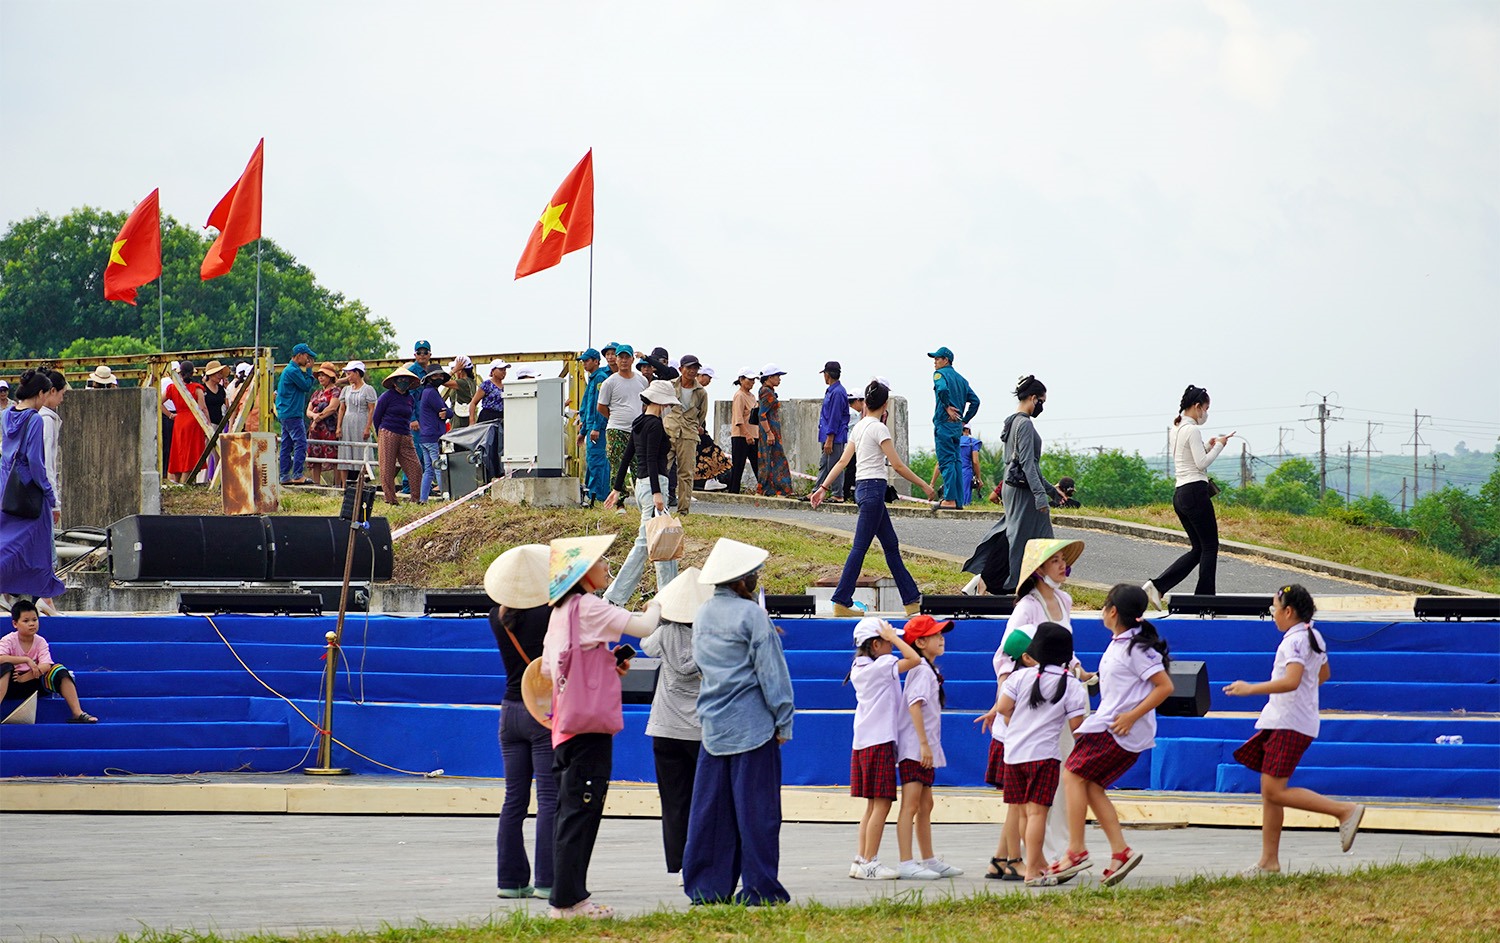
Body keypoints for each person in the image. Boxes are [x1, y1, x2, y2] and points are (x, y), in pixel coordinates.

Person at [541, 534, 661, 919]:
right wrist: (663, 596)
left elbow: (551, 666)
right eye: (600, 561)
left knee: (571, 811)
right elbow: (645, 627)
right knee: (582, 812)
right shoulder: (589, 607)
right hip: (590, 730)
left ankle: (569, 896)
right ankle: (569, 901)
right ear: (581, 573)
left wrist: (605, 665)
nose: (607, 565)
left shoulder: (561, 612)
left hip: (566, 725)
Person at [681, 538, 794, 906]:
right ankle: (760, 890)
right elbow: (773, 675)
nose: (758, 580)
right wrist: (783, 720)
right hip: (753, 726)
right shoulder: (753, 616)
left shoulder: (702, 614)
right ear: (741, 581)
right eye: (755, 576)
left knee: (711, 814)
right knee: (757, 814)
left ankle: (706, 888)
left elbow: (699, 665)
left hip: (713, 724)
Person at [1224, 584, 1365, 876]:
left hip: (1288, 722)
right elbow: (1322, 674)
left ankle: (1344, 811)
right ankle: (1268, 861)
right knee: (1269, 793)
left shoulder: (1293, 642)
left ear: (1288, 611)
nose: (1273, 614)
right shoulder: (1313, 636)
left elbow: (1291, 680)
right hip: (1290, 720)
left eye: (1275, 608)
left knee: (1274, 791)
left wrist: (1250, 689)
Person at [1050, 584, 1174, 886]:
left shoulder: (1137, 648)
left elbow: (1165, 686)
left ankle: (1076, 850)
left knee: (1073, 773)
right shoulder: (1121, 642)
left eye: (1105, 605)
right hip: (1109, 724)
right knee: (1090, 786)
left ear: (1113, 611)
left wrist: (1132, 716)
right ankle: (1121, 852)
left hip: (1118, 729)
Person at [999, 537, 1091, 863]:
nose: (1063, 566)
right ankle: (1043, 856)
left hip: (1065, 694)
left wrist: (1079, 671)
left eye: (1064, 560)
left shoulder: (1064, 600)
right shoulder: (1027, 607)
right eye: (1056, 562)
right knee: (1045, 784)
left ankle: (1066, 849)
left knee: (1067, 773)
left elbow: (1067, 649)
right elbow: (1006, 655)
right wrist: (1007, 703)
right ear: (1039, 569)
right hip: (1038, 700)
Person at [811, 380, 935, 618]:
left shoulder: (859, 428)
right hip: (874, 490)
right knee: (859, 548)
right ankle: (841, 600)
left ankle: (911, 601)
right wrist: (924, 486)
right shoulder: (879, 429)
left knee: (891, 547)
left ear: (865, 402)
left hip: (863, 490)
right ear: (885, 404)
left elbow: (842, 462)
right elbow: (897, 465)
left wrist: (823, 487)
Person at [484, 544, 558, 902]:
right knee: (549, 799)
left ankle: (509, 881)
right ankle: (548, 879)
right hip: (542, 710)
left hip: (509, 710)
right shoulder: (549, 615)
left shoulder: (497, 616)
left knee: (514, 799)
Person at [996, 622, 1087, 886]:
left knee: (1024, 814)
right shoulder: (1071, 685)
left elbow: (1003, 707)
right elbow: (1076, 727)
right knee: (1038, 814)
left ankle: (1039, 865)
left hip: (1013, 755)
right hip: (1044, 756)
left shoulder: (1020, 677)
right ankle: (1033, 872)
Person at [639, 566, 713, 875]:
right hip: (700, 730)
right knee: (705, 801)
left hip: (665, 727)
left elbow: (645, 644)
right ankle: (701, 858)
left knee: (673, 800)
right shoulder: (710, 636)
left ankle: (676, 860)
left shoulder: (664, 634)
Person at [1143, 385, 1235, 608]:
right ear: (1196, 407)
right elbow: (1201, 463)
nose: (1206, 413)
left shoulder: (1177, 428)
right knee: (1210, 546)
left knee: (1199, 548)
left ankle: (1157, 586)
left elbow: (1188, 457)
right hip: (1195, 492)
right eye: (1206, 408)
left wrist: (1207, 445)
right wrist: (1220, 446)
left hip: (1181, 494)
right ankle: (1204, 599)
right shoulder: (1192, 429)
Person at [847, 617, 921, 881]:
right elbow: (914, 660)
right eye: (889, 642)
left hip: (864, 742)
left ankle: (860, 859)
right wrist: (898, 639)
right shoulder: (883, 665)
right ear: (876, 645)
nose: (893, 646)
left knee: (871, 805)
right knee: (882, 804)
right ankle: (870, 861)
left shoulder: (859, 666)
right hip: (880, 742)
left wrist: (890, 637)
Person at [894, 615, 963, 880]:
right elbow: (914, 705)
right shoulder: (922, 671)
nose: (941, 638)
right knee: (910, 805)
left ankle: (928, 859)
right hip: (915, 750)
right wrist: (923, 744)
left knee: (926, 804)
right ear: (920, 642)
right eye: (935, 634)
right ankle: (905, 861)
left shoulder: (927, 669)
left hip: (923, 748)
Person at [602, 380, 679, 604]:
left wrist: (617, 488)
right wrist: (658, 494)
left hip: (642, 484)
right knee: (648, 541)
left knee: (660, 538)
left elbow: (627, 458)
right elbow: (653, 460)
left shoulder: (638, 422)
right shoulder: (655, 425)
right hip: (655, 485)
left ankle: (668, 593)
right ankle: (617, 597)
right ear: (659, 401)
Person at [0, 372, 64, 615]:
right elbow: (37, 463)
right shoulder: (35, 420)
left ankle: (28, 595)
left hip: (7, 486)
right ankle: (41, 594)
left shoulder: (7, 415)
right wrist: (50, 496)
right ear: (40, 394)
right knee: (37, 544)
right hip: (29, 490)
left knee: (7, 540)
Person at [976, 625, 1035, 881]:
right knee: (1017, 807)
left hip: (1006, 743)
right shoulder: (1020, 679)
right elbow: (1009, 713)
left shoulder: (1015, 675)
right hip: (1012, 745)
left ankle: (999, 861)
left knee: (1016, 805)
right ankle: (1014, 860)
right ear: (1027, 657)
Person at [1000, 375, 1059, 592]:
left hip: (1013, 486)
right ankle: (1021, 585)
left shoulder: (1011, 421)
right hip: (1024, 490)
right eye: (1041, 401)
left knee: (1017, 535)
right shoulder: (1024, 423)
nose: (1041, 406)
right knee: (1035, 539)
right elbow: (1027, 463)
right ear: (1033, 398)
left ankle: (1024, 583)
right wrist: (1040, 495)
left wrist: (1052, 491)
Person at [0, 600, 95, 722]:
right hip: (10, 684)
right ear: (15, 623)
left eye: (34, 620)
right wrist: (26, 660)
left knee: (59, 670)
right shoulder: (8, 640)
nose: (32, 624)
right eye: (26, 621)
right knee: (5, 666)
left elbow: (46, 665)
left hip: (32, 681)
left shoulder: (40, 642)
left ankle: (77, 712)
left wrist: (25, 678)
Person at [928, 346, 981, 509]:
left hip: (944, 423)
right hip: (957, 427)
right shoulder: (962, 380)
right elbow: (975, 401)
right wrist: (965, 420)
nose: (935, 363)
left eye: (937, 359)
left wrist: (946, 407)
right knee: (956, 460)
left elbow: (942, 389)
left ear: (946, 360)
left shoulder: (940, 374)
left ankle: (949, 499)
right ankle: (957, 499)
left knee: (946, 460)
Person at [597, 345, 648, 498]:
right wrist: (614, 418)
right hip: (616, 429)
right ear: (616, 360)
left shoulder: (642, 380)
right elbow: (601, 407)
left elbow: (645, 404)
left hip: (636, 431)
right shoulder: (609, 382)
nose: (624, 360)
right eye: (621, 357)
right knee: (617, 466)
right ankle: (619, 502)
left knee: (638, 466)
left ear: (632, 359)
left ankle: (642, 499)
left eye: (627, 357)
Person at [371, 367, 424, 504]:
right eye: (400, 379)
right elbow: (377, 417)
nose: (403, 382)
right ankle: (390, 499)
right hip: (389, 431)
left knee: (415, 467)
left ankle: (415, 498)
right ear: (394, 382)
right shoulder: (387, 396)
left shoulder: (410, 398)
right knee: (387, 467)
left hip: (405, 434)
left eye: (406, 380)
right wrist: (381, 434)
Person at [664, 354, 708, 515]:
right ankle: (659, 507)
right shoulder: (670, 386)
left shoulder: (701, 392)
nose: (691, 371)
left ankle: (683, 510)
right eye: (688, 367)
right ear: (681, 369)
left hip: (688, 434)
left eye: (695, 368)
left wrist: (692, 426)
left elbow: (701, 416)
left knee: (686, 473)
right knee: (662, 469)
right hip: (669, 431)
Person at [276, 343, 317, 486]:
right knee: (300, 442)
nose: (308, 360)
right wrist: (310, 371)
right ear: (299, 355)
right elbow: (306, 386)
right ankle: (297, 474)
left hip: (285, 412)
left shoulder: (289, 370)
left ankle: (284, 475)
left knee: (287, 444)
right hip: (292, 413)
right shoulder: (293, 371)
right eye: (306, 356)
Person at [163, 361, 209, 485]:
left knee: (179, 452)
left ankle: (176, 481)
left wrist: (170, 415)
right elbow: (202, 408)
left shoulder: (172, 388)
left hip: (179, 421)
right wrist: (207, 425)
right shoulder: (197, 388)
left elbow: (158, 402)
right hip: (194, 421)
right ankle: (186, 482)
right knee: (191, 453)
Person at [575, 349, 611, 507]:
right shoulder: (593, 378)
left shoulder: (600, 379)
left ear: (596, 361)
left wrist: (596, 427)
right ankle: (593, 494)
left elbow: (600, 407)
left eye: (587, 360)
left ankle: (599, 497)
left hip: (598, 429)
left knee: (598, 462)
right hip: (590, 427)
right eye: (583, 361)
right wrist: (583, 431)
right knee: (593, 461)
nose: (584, 363)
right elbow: (588, 407)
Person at [812, 360, 850, 503]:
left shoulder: (838, 392)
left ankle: (837, 494)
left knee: (835, 464)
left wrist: (830, 438)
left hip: (835, 436)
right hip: (828, 434)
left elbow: (835, 417)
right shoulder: (832, 391)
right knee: (825, 464)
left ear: (827, 375)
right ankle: (816, 491)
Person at [335, 361, 377, 486]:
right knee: (345, 452)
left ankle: (361, 482)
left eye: (350, 373)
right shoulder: (346, 390)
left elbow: (371, 409)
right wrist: (338, 427)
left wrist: (367, 427)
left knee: (362, 451)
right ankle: (344, 485)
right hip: (347, 421)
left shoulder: (368, 389)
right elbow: (342, 408)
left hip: (361, 421)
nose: (348, 376)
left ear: (357, 373)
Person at [755, 365, 794, 497]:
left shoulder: (767, 390)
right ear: (769, 377)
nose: (779, 379)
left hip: (770, 431)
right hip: (770, 432)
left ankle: (767, 489)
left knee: (769, 458)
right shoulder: (766, 392)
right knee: (776, 459)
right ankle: (781, 489)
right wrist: (769, 433)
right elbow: (762, 415)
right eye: (777, 376)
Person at [38, 371, 66, 546]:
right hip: (43, 495)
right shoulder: (46, 420)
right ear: (53, 391)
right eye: (62, 394)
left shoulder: (33, 415)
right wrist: (54, 503)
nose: (62, 400)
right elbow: (47, 464)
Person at [416, 367, 451, 502]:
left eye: (441, 376)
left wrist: (446, 412)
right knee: (438, 468)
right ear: (430, 378)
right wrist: (449, 412)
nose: (440, 378)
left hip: (425, 436)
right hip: (433, 436)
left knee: (429, 470)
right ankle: (445, 497)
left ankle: (423, 499)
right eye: (436, 375)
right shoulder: (432, 393)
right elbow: (444, 410)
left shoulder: (426, 392)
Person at [305, 362, 342, 486]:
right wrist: (314, 417)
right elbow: (308, 410)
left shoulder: (336, 391)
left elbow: (332, 408)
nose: (321, 378)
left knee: (333, 455)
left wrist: (317, 419)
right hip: (315, 430)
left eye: (324, 375)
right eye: (319, 375)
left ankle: (337, 484)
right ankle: (316, 484)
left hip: (329, 427)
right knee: (316, 455)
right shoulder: (317, 393)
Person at [405, 340, 436, 489]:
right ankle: (409, 486)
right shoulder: (412, 372)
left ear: (430, 354)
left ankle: (424, 486)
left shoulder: (431, 372)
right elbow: (408, 397)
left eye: (425, 352)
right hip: (416, 421)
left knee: (426, 454)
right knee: (414, 453)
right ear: (414, 355)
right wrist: (412, 419)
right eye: (419, 352)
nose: (422, 355)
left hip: (427, 420)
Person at [726, 368, 759, 493]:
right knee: (738, 466)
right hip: (741, 435)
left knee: (757, 464)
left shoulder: (752, 396)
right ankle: (733, 492)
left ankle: (763, 489)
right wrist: (746, 434)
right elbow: (738, 418)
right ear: (741, 380)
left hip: (753, 434)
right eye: (749, 379)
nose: (752, 382)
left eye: (753, 380)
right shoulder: (739, 395)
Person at [470, 359, 509, 425]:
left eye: (504, 370)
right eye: (501, 369)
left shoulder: (506, 387)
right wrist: (472, 420)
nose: (503, 372)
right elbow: (473, 403)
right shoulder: (486, 385)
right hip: (487, 417)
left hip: (500, 417)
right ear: (493, 371)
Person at [446, 356, 477, 430]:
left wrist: (453, 371)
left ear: (460, 370)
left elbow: (442, 381)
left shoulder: (462, 383)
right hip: (465, 418)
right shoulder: (471, 381)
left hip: (459, 421)